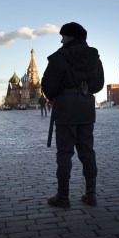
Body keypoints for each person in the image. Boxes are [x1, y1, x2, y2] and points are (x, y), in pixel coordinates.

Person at [41, 22, 104, 208]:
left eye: (63, 36)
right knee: (87, 151)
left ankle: (63, 197)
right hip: (86, 109)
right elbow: (99, 85)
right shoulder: (94, 56)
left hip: (66, 110)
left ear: (71, 37)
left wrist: (60, 94)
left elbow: (48, 86)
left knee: (64, 154)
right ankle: (91, 194)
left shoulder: (60, 57)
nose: (61, 40)